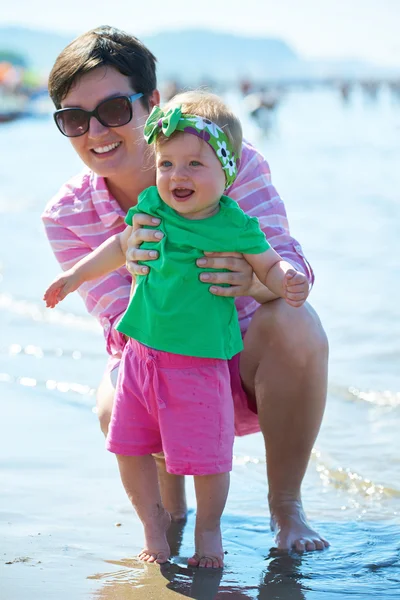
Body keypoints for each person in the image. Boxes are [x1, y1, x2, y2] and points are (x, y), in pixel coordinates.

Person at [42, 25, 329, 557]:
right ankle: (169, 517)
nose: (96, 132)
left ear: (152, 102)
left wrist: (261, 284)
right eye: (74, 119)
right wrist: (131, 257)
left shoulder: (227, 162)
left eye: (112, 110)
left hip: (244, 363)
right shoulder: (68, 215)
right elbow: (119, 329)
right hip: (161, 364)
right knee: (112, 398)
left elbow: (292, 267)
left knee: (298, 324)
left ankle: (286, 506)